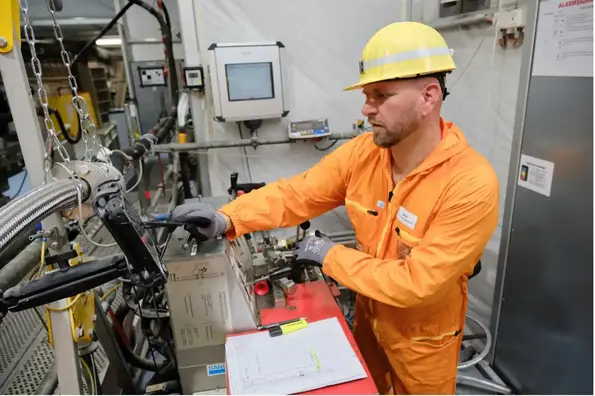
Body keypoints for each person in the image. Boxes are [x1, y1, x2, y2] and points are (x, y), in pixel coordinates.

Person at [172, 21, 499, 395]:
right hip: (369, 322)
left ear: (428, 97)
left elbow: (415, 284)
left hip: (422, 343)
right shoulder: (364, 154)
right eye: (365, 94)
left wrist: (329, 256)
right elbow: (298, 194)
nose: (366, 107)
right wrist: (228, 217)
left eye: (380, 95)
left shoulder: (470, 183)